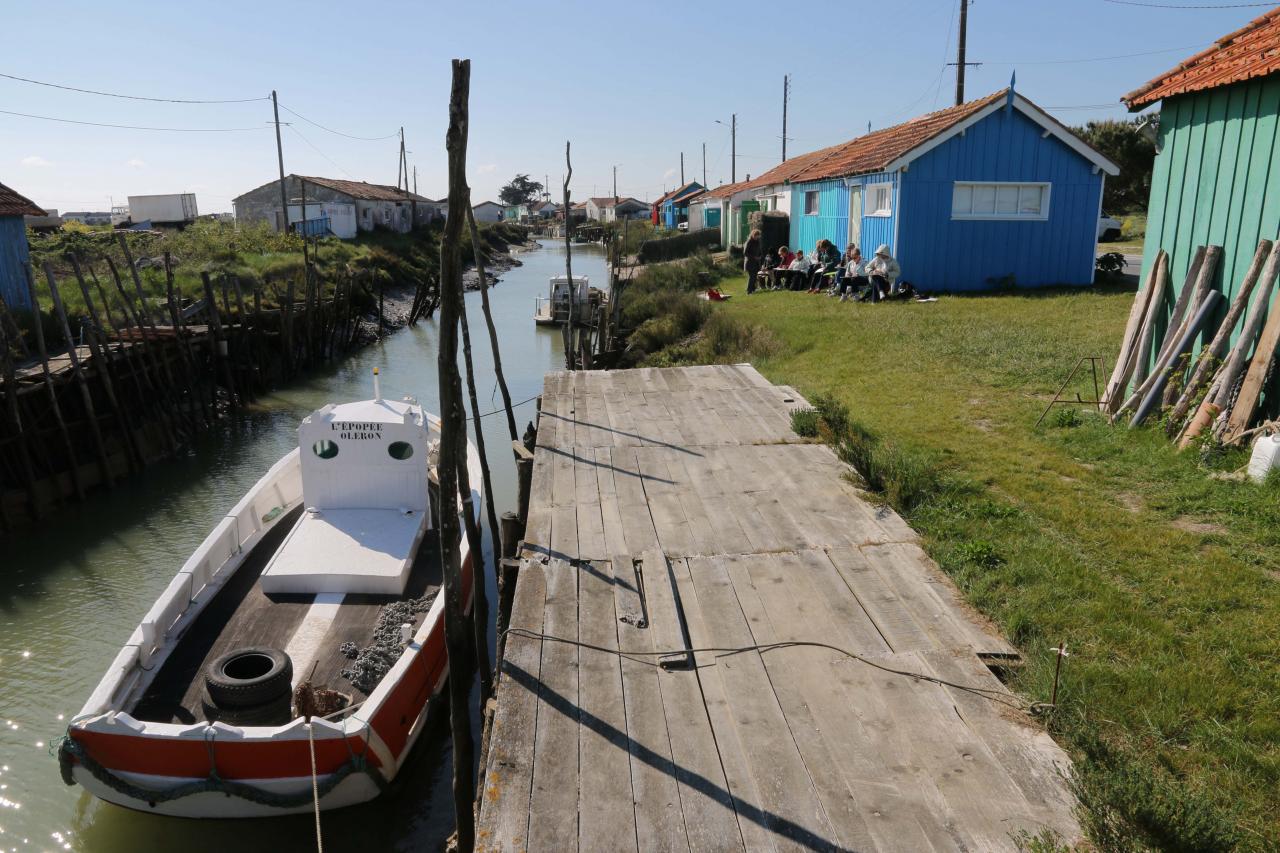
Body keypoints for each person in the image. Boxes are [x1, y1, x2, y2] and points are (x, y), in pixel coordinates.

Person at [743, 229, 764, 294]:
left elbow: (760, 251)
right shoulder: (749, 242)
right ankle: (749, 291)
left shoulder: (758, 242)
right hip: (750, 262)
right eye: (756, 236)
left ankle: (753, 289)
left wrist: (760, 256)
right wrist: (754, 257)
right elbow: (745, 253)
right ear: (753, 235)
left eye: (758, 236)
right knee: (752, 277)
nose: (757, 237)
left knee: (754, 277)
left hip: (756, 263)